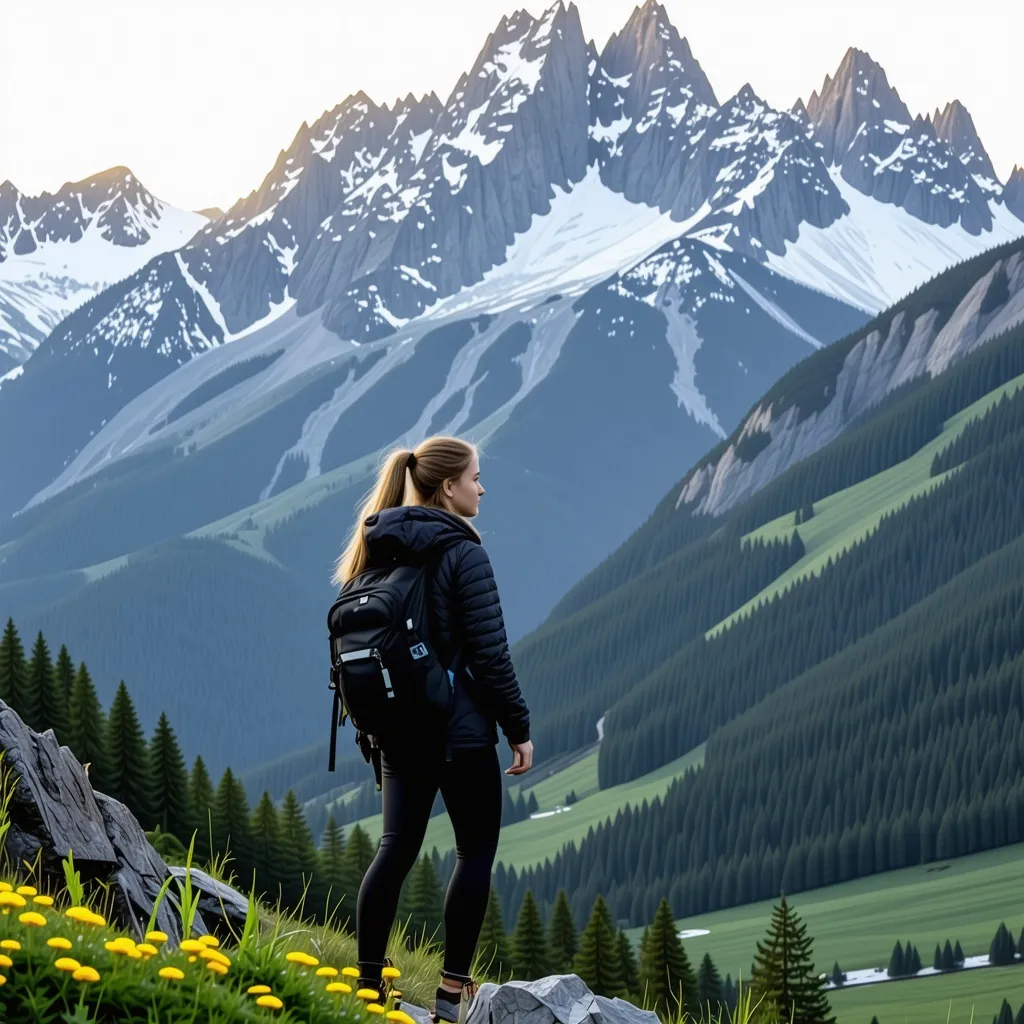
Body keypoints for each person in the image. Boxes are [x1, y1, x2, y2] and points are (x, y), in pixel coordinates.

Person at [332, 435, 533, 1023]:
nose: (482, 487)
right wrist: (518, 727)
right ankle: (451, 994)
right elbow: (491, 657)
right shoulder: (462, 552)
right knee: (475, 851)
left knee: (393, 851)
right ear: (448, 486)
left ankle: (369, 990)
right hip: (460, 731)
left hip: (396, 731)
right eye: (475, 477)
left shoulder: (376, 548)